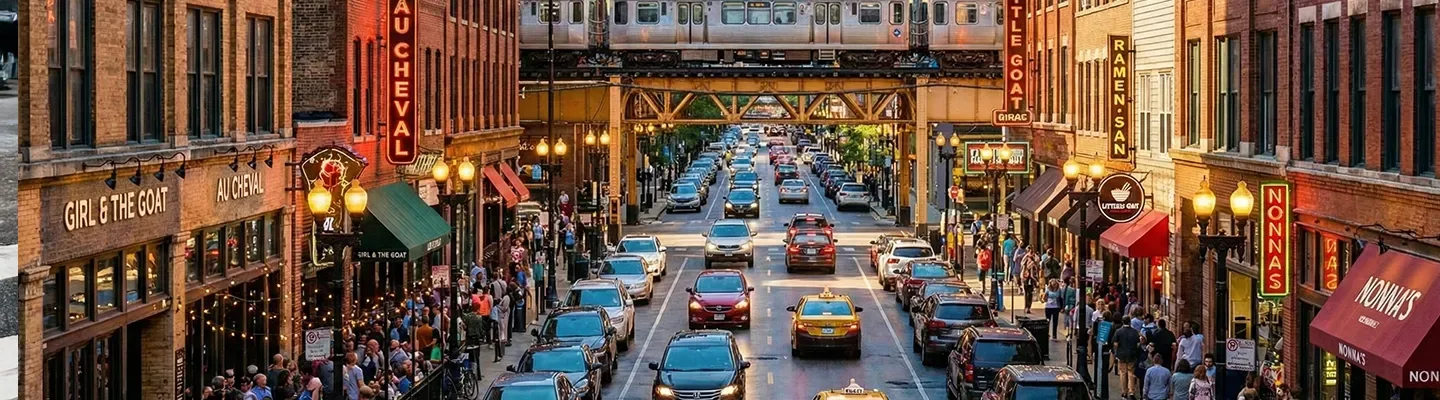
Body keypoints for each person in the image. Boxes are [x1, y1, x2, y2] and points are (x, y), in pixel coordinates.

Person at [1109, 319, 1143, 399]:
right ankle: (1131, 391)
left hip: (1122, 355)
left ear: (1123, 322)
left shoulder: (1118, 331)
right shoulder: (1134, 332)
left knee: (1123, 373)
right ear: (1129, 322)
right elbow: (1138, 344)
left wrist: (1116, 353)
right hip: (1132, 355)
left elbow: (1115, 343)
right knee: (1131, 372)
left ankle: (1124, 392)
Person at [494, 291, 512, 361]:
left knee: (502, 334)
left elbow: (505, 308)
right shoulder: (506, 298)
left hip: (502, 319)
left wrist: (498, 306)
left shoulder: (506, 298)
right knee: (502, 334)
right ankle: (500, 353)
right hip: (502, 319)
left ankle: (501, 353)